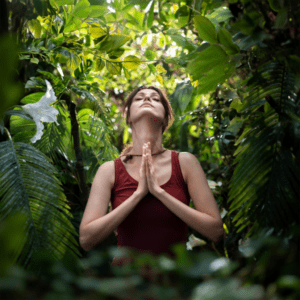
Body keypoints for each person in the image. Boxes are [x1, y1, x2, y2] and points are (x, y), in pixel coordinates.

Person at [79, 85, 225, 275]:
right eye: (139, 98)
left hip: (174, 282)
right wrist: (139, 194)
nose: (147, 99)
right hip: (126, 285)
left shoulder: (185, 163)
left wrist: (159, 192)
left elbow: (215, 231)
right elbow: (86, 239)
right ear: (128, 117)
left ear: (165, 118)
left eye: (155, 99)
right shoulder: (109, 170)